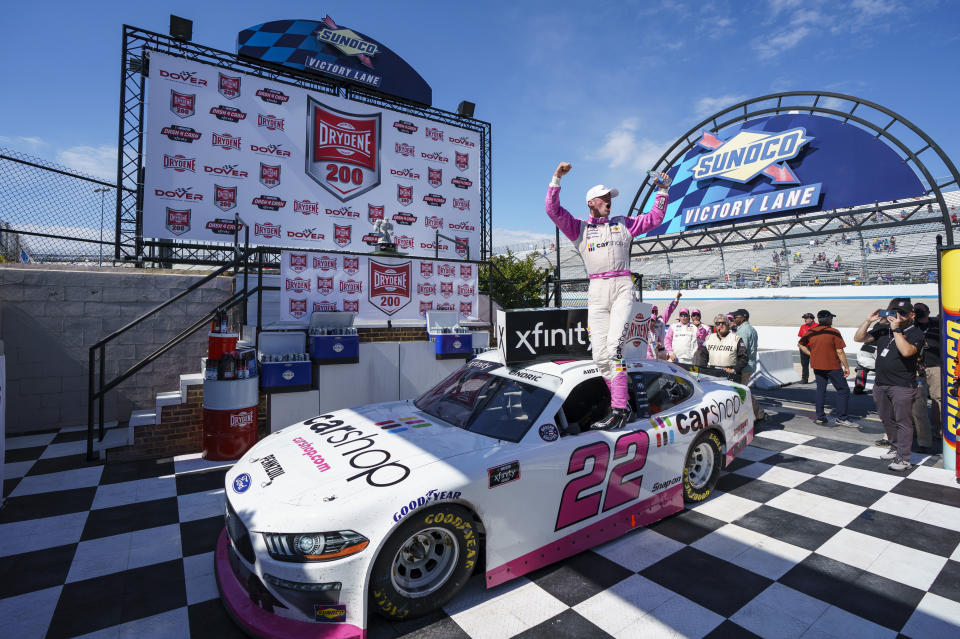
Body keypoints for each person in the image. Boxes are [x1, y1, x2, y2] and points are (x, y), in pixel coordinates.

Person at [545, 161, 671, 431]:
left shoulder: (623, 224)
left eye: (610, 198)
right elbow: (552, 210)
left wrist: (662, 191)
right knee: (600, 356)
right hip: (596, 290)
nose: (609, 202)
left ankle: (619, 409)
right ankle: (620, 406)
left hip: (622, 285)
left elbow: (654, 219)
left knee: (614, 348)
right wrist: (557, 178)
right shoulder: (578, 228)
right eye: (604, 198)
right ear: (591, 202)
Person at [854, 298, 925, 471]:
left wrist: (897, 330)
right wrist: (868, 321)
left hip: (902, 385)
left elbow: (907, 352)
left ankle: (904, 458)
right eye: (894, 312)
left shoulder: (915, 332)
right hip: (881, 383)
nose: (897, 316)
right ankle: (894, 448)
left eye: (902, 313)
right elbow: (859, 338)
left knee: (903, 422)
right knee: (887, 419)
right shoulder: (883, 329)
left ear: (912, 315)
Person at [799, 310, 856, 427]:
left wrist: (811, 354)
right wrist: (846, 366)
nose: (832, 320)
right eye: (831, 318)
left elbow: (800, 344)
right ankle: (842, 417)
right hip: (832, 366)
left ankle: (820, 417)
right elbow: (840, 351)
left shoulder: (811, 332)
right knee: (843, 390)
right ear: (828, 319)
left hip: (817, 366)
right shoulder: (834, 332)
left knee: (821, 390)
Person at [911, 302, 941, 453]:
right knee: (919, 403)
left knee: (938, 399)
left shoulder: (937, 323)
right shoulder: (911, 325)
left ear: (929, 312)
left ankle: (938, 430)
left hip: (936, 366)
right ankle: (921, 434)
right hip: (918, 369)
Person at [695, 314, 747, 379]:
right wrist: (703, 370)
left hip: (730, 373)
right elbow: (703, 356)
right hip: (712, 373)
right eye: (718, 323)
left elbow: (744, 358)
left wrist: (734, 370)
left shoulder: (736, 339)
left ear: (728, 325)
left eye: (723, 323)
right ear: (715, 326)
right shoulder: (709, 338)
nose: (720, 325)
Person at [649, 293, 680, 360]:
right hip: (650, 351)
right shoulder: (645, 322)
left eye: (655, 311)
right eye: (652, 311)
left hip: (662, 351)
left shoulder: (662, 320)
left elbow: (669, 310)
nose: (654, 313)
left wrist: (676, 299)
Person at [797, 313, 818, 383]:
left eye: (806, 318)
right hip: (804, 347)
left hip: (814, 347)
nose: (805, 320)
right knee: (804, 364)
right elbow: (801, 337)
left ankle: (818, 378)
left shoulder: (817, 326)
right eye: (804, 318)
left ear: (811, 319)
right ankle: (804, 379)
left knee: (816, 363)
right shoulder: (802, 326)